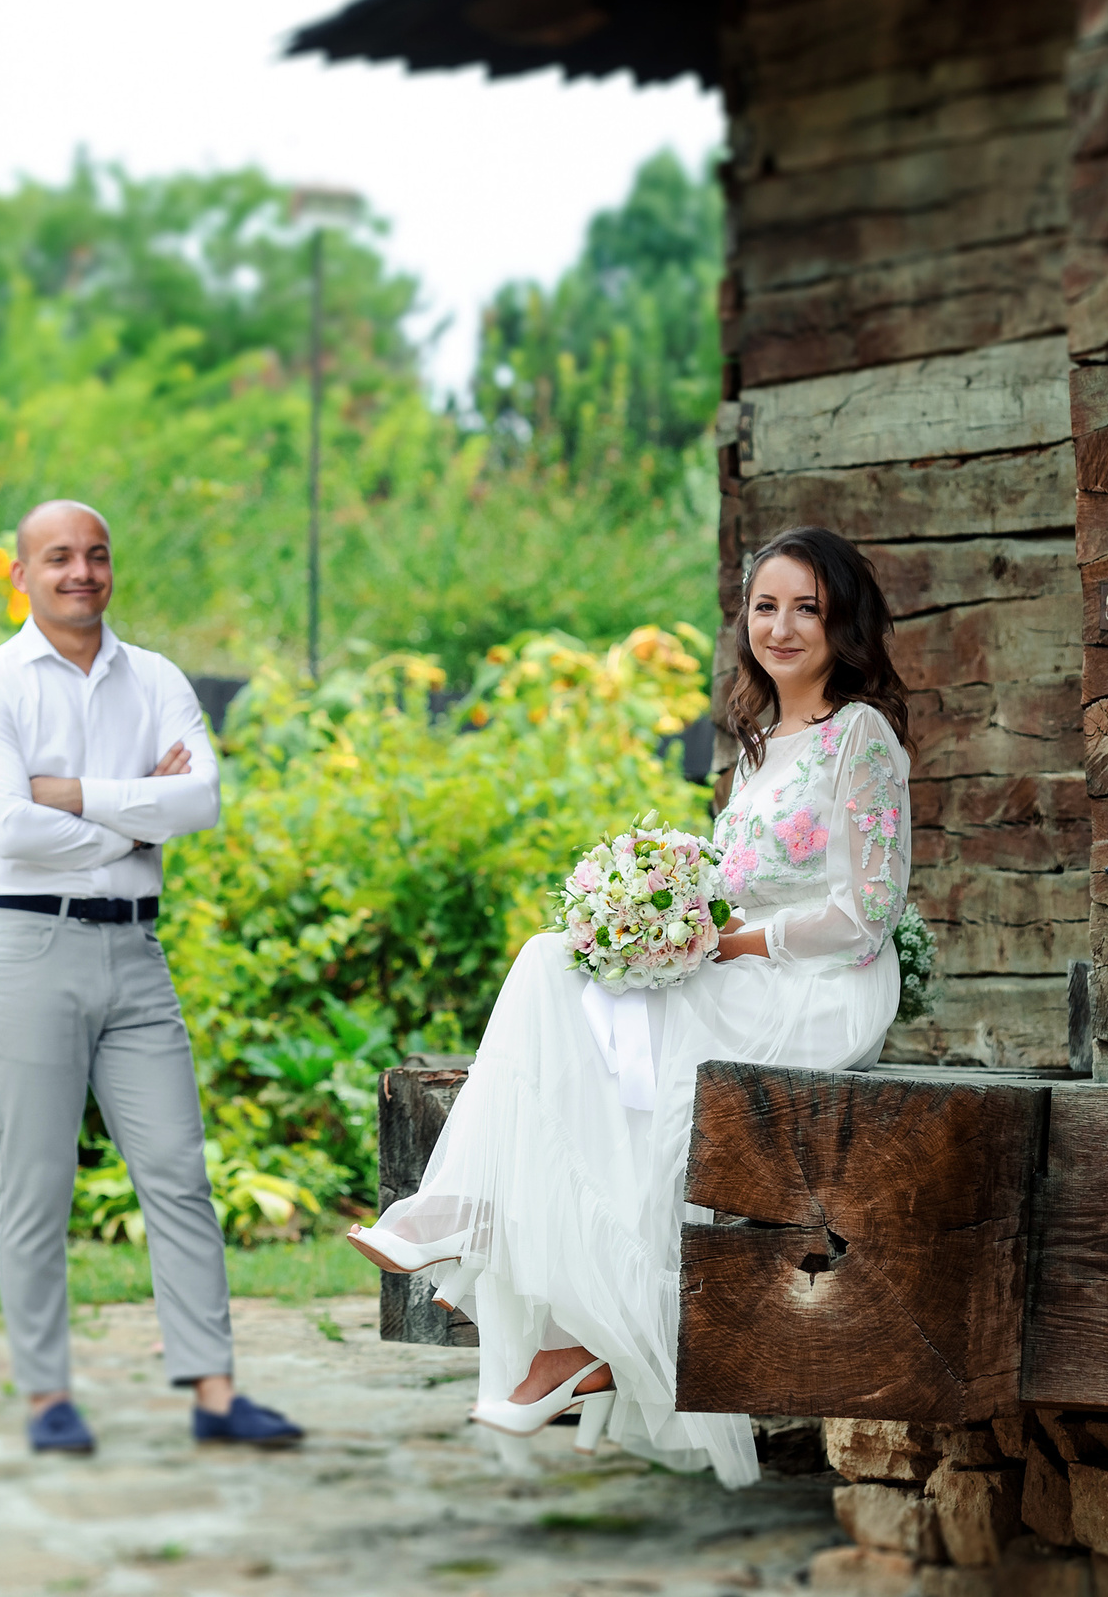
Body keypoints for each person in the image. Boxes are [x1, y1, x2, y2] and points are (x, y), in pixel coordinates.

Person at [345, 525, 913, 1485]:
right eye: (764, 606)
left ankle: (486, 1235)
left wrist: (723, 942)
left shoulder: (860, 736)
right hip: (744, 970)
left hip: (820, 988)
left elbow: (869, 907)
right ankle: (550, 1303)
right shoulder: (757, 743)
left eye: (805, 607)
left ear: (841, 622)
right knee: (557, 964)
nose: (780, 627)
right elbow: (732, 887)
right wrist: (661, 916)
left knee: (583, 990)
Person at [0, 499, 303, 1455]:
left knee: (179, 1177)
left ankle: (217, 1395)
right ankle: (45, 1397)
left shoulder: (155, 680)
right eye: (58, 557)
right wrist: (135, 818)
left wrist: (76, 796)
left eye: (97, 555)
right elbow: (8, 828)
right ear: (20, 575)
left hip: (136, 958)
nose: (81, 572)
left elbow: (202, 799)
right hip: (30, 952)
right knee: (34, 1187)